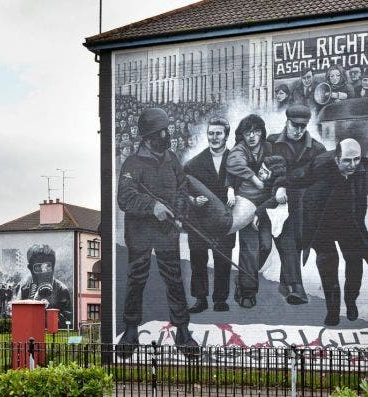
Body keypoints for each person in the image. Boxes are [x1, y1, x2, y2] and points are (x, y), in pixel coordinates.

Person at [116, 107, 198, 356]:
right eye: (162, 131)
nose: (166, 134)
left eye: (166, 130)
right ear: (150, 135)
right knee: (136, 280)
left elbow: (182, 188)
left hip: (166, 232)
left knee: (174, 280)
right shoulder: (133, 163)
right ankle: (130, 330)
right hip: (140, 232)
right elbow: (125, 197)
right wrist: (153, 206)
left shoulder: (171, 159)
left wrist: (180, 213)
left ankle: (182, 331)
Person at [300, 139, 368, 326]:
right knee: (328, 266)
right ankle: (333, 311)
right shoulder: (319, 166)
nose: (352, 165)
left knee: (355, 264)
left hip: (350, 224)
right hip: (322, 225)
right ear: (336, 159)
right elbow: (298, 184)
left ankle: (351, 301)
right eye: (347, 161)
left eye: (356, 159)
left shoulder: (366, 168)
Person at [263, 105, 326, 305]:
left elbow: (320, 181)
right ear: (287, 121)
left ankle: (286, 282)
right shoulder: (271, 143)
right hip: (274, 202)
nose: (299, 130)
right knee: (289, 238)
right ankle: (296, 287)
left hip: (302, 205)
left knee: (295, 238)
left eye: (303, 126)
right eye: (295, 125)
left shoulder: (317, 148)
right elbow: (263, 174)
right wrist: (277, 189)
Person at [184, 117, 235, 313]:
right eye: (211, 133)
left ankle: (220, 299)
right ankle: (200, 299)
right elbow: (180, 191)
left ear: (226, 136)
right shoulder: (193, 164)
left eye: (218, 134)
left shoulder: (236, 161)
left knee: (223, 260)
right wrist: (193, 201)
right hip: (199, 221)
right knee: (198, 259)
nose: (214, 137)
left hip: (225, 221)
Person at [225, 114, 273, 308]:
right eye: (248, 132)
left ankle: (247, 275)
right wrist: (254, 178)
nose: (252, 136)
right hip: (245, 204)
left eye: (256, 131)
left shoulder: (269, 148)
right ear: (242, 134)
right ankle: (247, 291)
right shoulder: (239, 150)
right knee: (249, 249)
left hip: (266, 205)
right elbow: (233, 164)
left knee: (266, 247)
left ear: (262, 133)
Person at [18, 244, 72, 325]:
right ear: (30, 268)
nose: (44, 271)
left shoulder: (61, 289)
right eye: (38, 267)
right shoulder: (25, 289)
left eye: (48, 266)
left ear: (53, 267)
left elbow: (68, 318)